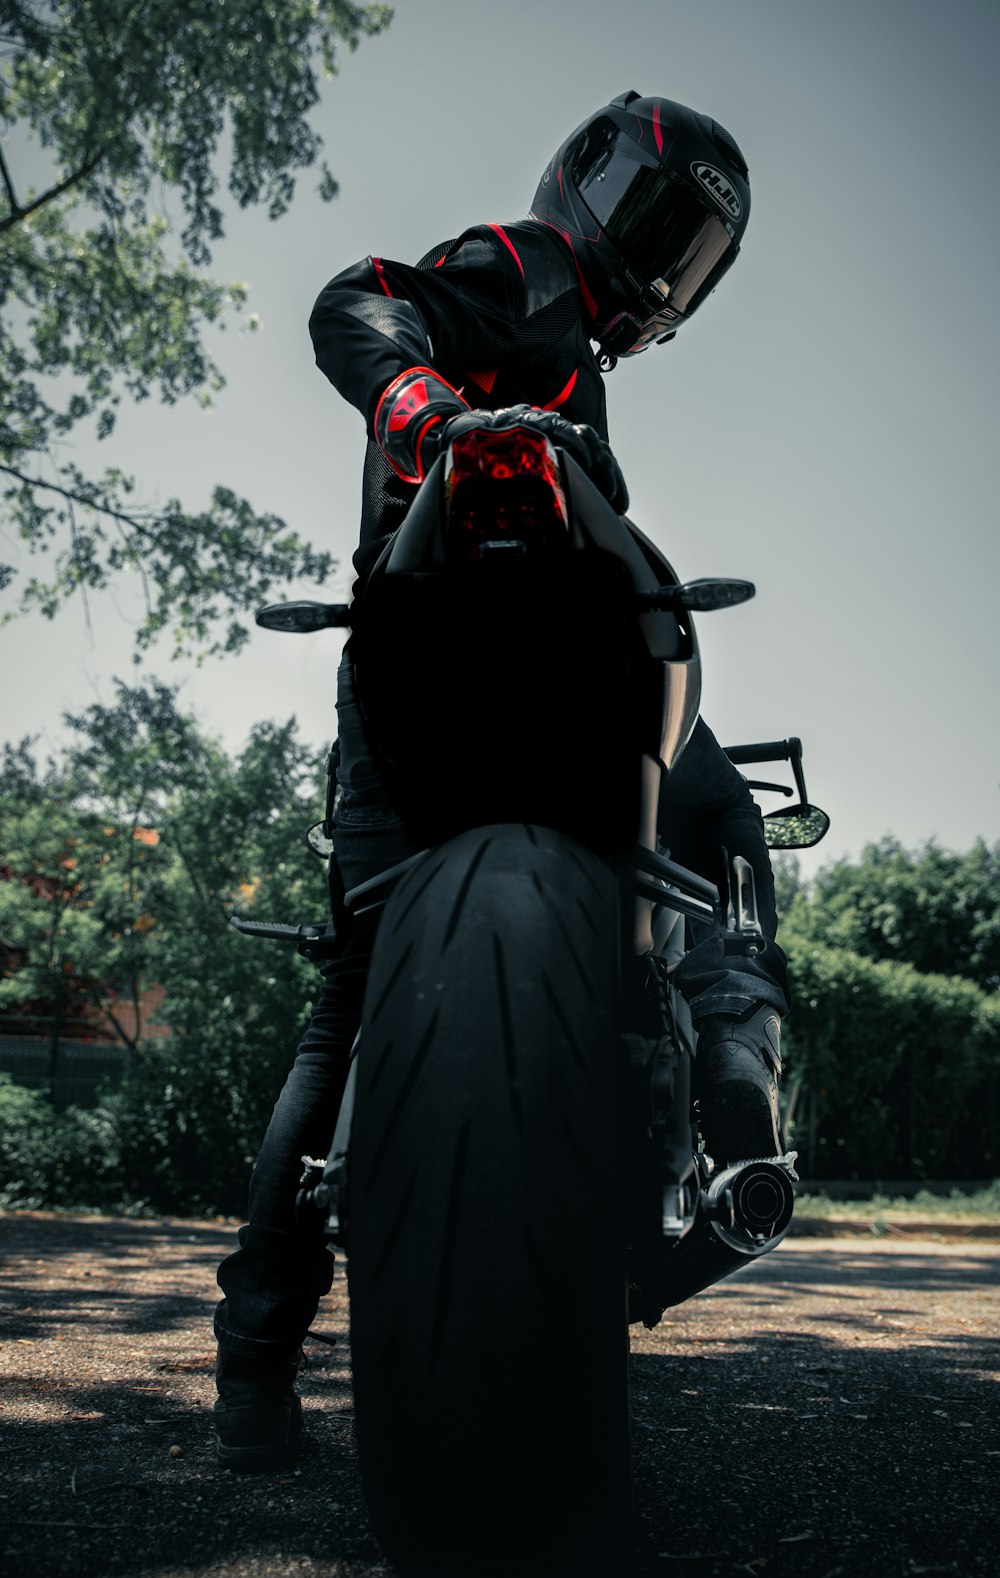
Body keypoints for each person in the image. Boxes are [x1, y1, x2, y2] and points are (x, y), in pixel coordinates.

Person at [213, 91, 790, 1470]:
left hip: (430, 688)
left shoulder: (573, 355)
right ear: (585, 186)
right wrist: (414, 398)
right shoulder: (523, 270)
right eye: (656, 219)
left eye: (693, 250)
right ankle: (732, 1028)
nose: (664, 263)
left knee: (348, 1007)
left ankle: (252, 1372)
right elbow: (360, 297)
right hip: (460, 668)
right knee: (711, 817)